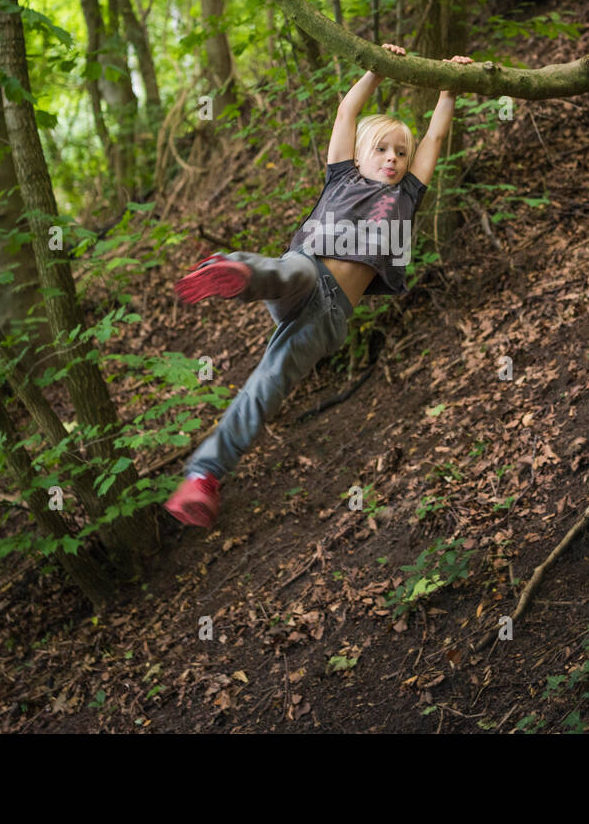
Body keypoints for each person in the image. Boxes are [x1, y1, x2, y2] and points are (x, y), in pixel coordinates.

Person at [164, 43, 473, 527]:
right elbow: (348, 109)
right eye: (382, 149)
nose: (392, 159)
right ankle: (236, 272)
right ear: (360, 154)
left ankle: (203, 478)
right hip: (304, 273)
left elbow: (435, 137)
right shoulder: (340, 177)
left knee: (267, 384)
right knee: (295, 271)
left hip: (328, 320)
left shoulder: (407, 196)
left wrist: (450, 88)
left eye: (400, 153)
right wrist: (376, 69)